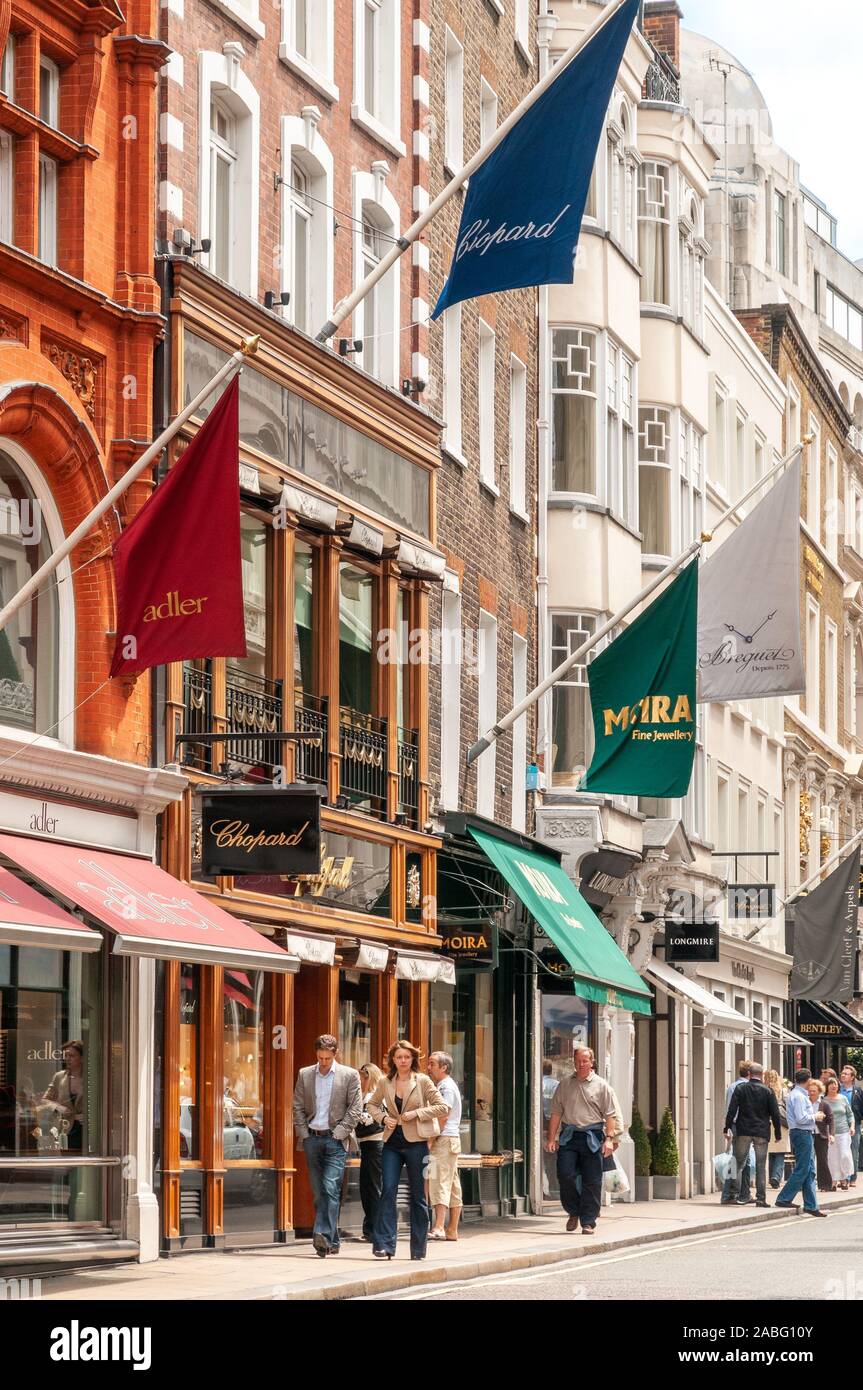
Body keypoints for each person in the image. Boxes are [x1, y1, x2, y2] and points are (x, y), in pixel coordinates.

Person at [367, 1040, 448, 1261]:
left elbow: (442, 1106)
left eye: (407, 1057)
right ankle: (384, 1244)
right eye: (399, 1057)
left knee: (418, 1196)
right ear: (392, 1060)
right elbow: (371, 1105)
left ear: (413, 1058)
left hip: (417, 1144)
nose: (403, 1061)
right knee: (388, 1191)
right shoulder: (385, 1082)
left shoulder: (422, 1081)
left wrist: (418, 1113)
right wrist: (383, 1118)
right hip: (392, 1143)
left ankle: (418, 1248)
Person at [292, 1034, 362, 1258]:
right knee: (319, 1192)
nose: (323, 1062)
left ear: (335, 1054)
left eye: (327, 1059)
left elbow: (355, 1109)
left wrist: (339, 1133)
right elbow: (298, 1107)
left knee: (330, 1188)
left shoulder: (349, 1075)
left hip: (335, 1140)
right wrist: (304, 1135)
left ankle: (321, 1236)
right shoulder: (305, 1074)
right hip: (312, 1139)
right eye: (320, 1058)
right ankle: (332, 1241)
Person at [545, 1045, 616, 1236]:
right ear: (574, 1062)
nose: (581, 1064)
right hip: (570, 1136)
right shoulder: (565, 1084)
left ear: (592, 1062)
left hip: (593, 1136)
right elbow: (556, 1113)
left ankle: (588, 1221)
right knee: (565, 1175)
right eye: (578, 1061)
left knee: (592, 1180)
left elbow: (610, 1115)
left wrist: (609, 1139)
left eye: (585, 1061)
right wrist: (551, 1138)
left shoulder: (602, 1086)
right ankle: (573, 1211)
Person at [723, 1062, 781, 1208]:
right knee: (761, 1165)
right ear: (761, 1074)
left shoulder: (741, 1088)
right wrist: (778, 1133)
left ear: (749, 1073)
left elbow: (732, 1109)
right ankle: (761, 1198)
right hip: (761, 1132)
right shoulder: (768, 1091)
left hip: (743, 1130)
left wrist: (727, 1127)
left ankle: (734, 1194)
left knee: (738, 1163)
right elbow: (775, 1114)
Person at [775, 1068, 826, 1216]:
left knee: (810, 1170)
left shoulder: (798, 1094)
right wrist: (815, 1116)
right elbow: (801, 1118)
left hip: (803, 1133)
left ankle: (811, 1206)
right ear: (809, 1080)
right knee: (803, 1169)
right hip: (801, 1133)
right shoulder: (798, 1096)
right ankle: (784, 1198)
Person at [426, 1051, 463, 1241]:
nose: (428, 1067)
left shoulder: (445, 1087)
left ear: (444, 1067)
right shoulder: (445, 1085)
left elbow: (443, 1114)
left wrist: (431, 1139)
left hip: (444, 1138)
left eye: (432, 1064)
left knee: (439, 1181)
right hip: (451, 1139)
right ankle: (452, 1229)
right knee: (452, 1185)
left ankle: (439, 1226)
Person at [355, 1062, 385, 1243]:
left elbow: (373, 1121)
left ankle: (374, 1230)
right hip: (366, 1146)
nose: (359, 1081)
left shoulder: (374, 1097)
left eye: (361, 1078)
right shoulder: (364, 1096)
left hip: (375, 1145)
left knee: (373, 1189)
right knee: (367, 1189)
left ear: (369, 1077)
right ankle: (370, 1229)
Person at [721, 1060, 755, 1205]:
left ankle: (744, 1194)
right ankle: (728, 1195)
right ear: (749, 1073)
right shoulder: (746, 1087)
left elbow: (728, 1109)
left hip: (736, 1126)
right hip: (742, 1127)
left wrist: (728, 1127)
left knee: (745, 1161)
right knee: (738, 1161)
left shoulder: (732, 1087)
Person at [42, 1040, 85, 1152]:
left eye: (71, 1055)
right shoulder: (59, 1077)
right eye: (66, 1055)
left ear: (82, 1057)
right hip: (66, 1129)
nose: (67, 1058)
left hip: (88, 1130)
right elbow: (45, 1100)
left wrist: (90, 1116)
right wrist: (59, 1108)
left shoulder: (91, 1077)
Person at [823, 1075, 855, 1190]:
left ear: (838, 1087)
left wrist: (852, 1127)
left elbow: (850, 1114)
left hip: (844, 1131)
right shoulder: (823, 1100)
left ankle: (845, 1177)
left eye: (835, 1084)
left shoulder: (843, 1098)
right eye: (831, 1085)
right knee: (832, 1157)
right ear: (827, 1087)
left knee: (845, 1155)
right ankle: (834, 1180)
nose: (833, 1086)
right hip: (830, 1133)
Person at [763, 1069, 788, 1189]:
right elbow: (789, 1106)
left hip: (767, 1123)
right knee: (780, 1153)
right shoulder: (783, 1091)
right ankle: (776, 1177)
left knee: (771, 1152)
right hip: (781, 1123)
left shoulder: (763, 1090)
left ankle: (771, 1177)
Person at [810, 1078, 835, 1192]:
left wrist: (831, 1134)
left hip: (821, 1136)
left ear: (819, 1091)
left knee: (822, 1160)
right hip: (808, 1134)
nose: (811, 1093)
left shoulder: (824, 1104)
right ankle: (806, 1184)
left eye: (814, 1091)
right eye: (810, 1090)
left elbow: (831, 1120)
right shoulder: (805, 1102)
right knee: (807, 1160)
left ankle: (825, 1185)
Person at [839, 1065, 863, 1187]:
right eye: (842, 1073)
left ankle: (852, 1177)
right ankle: (843, 1178)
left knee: (853, 1151)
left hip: (855, 1124)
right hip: (839, 1125)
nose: (843, 1075)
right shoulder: (837, 1089)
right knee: (841, 1152)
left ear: (852, 1077)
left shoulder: (858, 1091)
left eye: (846, 1074)